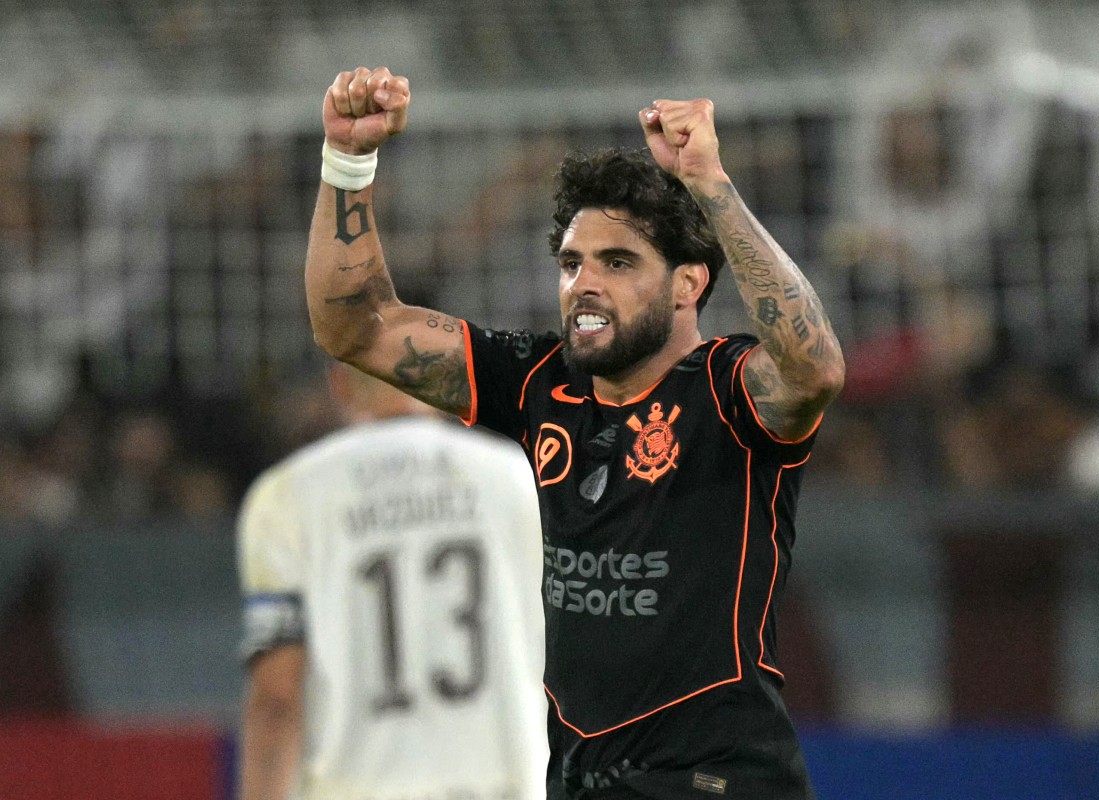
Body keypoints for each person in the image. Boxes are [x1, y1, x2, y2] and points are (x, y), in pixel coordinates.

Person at [305, 67, 845, 800]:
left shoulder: (729, 390)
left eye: (617, 263)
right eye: (571, 263)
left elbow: (814, 369)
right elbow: (355, 326)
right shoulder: (537, 382)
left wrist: (710, 184)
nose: (583, 283)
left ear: (688, 284)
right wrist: (348, 160)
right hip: (580, 778)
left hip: (717, 777)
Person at [237, 361, 548, 800]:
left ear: (339, 384)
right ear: (450, 384)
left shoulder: (287, 495)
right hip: (504, 784)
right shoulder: (522, 479)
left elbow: (277, 696)